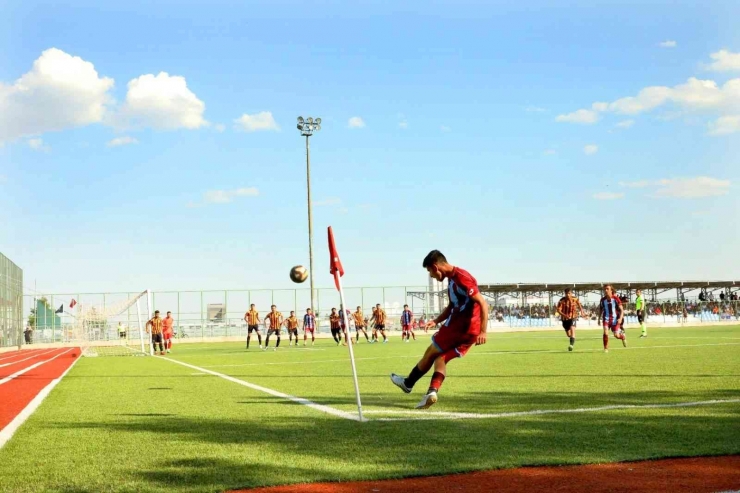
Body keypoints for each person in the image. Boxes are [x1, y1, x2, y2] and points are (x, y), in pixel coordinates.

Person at [391, 250, 488, 409]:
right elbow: (452, 305)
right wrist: (436, 320)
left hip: (460, 328)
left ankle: (408, 383)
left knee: (430, 352)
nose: (431, 275)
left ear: (436, 267)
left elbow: (483, 303)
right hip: (469, 332)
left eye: (429, 271)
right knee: (441, 358)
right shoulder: (452, 280)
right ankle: (432, 392)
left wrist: (484, 331)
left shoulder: (462, 278)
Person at [598, 285, 627, 353]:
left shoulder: (616, 298)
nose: (606, 290)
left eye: (607, 289)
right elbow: (600, 310)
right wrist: (599, 319)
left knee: (616, 335)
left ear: (611, 290)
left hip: (614, 319)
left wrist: (620, 318)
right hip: (606, 319)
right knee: (605, 331)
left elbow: (622, 310)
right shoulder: (602, 300)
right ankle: (605, 348)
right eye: (605, 289)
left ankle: (622, 337)